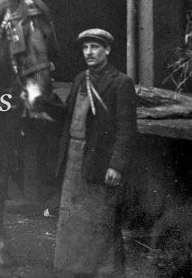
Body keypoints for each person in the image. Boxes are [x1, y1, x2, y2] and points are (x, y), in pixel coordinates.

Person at [49, 29, 137, 277]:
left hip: (100, 161)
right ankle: (77, 271)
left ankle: (107, 273)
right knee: (74, 221)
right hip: (75, 158)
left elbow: (127, 130)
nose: (89, 52)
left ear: (107, 50)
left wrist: (116, 166)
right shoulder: (80, 79)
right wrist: (45, 100)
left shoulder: (121, 83)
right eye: (85, 48)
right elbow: (67, 118)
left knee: (102, 220)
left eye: (95, 47)